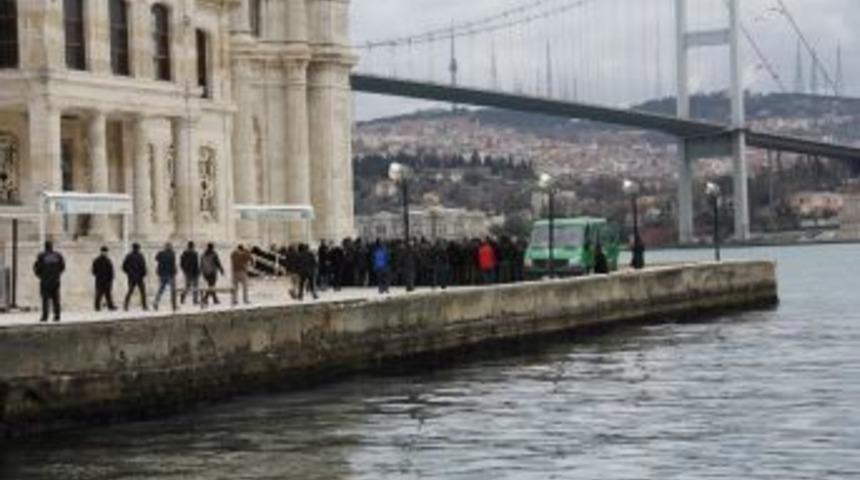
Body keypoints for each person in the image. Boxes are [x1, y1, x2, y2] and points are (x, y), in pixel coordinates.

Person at [33, 241, 65, 322]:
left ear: (45, 247)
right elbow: (62, 267)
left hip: (45, 281)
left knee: (45, 299)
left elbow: (36, 268)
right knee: (56, 299)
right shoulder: (58, 256)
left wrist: (40, 276)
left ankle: (45, 316)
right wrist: (57, 274)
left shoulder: (42, 256)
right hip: (55, 280)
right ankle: (57, 315)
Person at [122, 243, 148, 311]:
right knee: (142, 292)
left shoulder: (129, 256)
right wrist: (143, 274)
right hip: (139, 277)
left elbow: (124, 267)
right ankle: (144, 306)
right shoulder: (140, 256)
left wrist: (129, 273)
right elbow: (143, 266)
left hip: (132, 277)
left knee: (130, 291)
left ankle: (126, 305)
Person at [153, 242, 178, 311]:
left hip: (162, 274)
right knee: (173, 290)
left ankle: (156, 302)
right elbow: (173, 264)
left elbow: (156, 258)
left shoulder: (161, 253)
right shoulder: (172, 254)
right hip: (170, 274)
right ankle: (174, 305)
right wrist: (175, 272)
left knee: (161, 289)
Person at [91, 246, 117, 311]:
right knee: (100, 294)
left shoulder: (99, 260)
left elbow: (94, 271)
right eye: (104, 252)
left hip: (103, 280)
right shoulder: (103, 260)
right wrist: (110, 278)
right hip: (103, 280)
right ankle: (98, 307)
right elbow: (94, 271)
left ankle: (108, 306)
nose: (105, 253)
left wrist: (111, 278)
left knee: (106, 294)